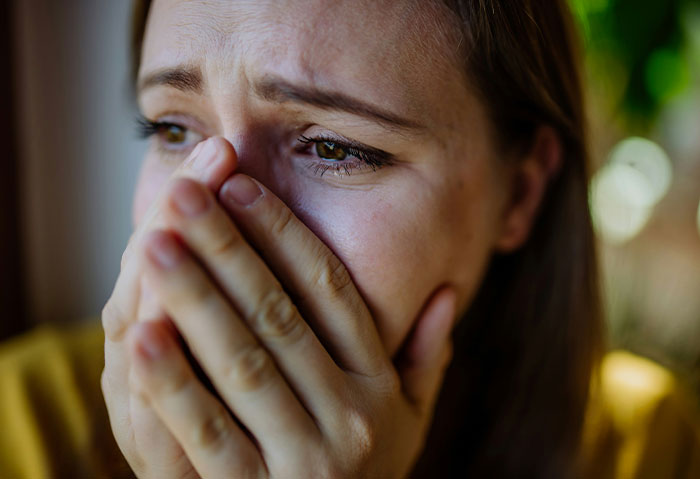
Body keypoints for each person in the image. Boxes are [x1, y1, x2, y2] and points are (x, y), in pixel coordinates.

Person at [0, 1, 698, 478]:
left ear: (519, 193)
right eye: (172, 130)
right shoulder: (23, 422)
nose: (207, 211)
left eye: (335, 146)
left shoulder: (645, 449)